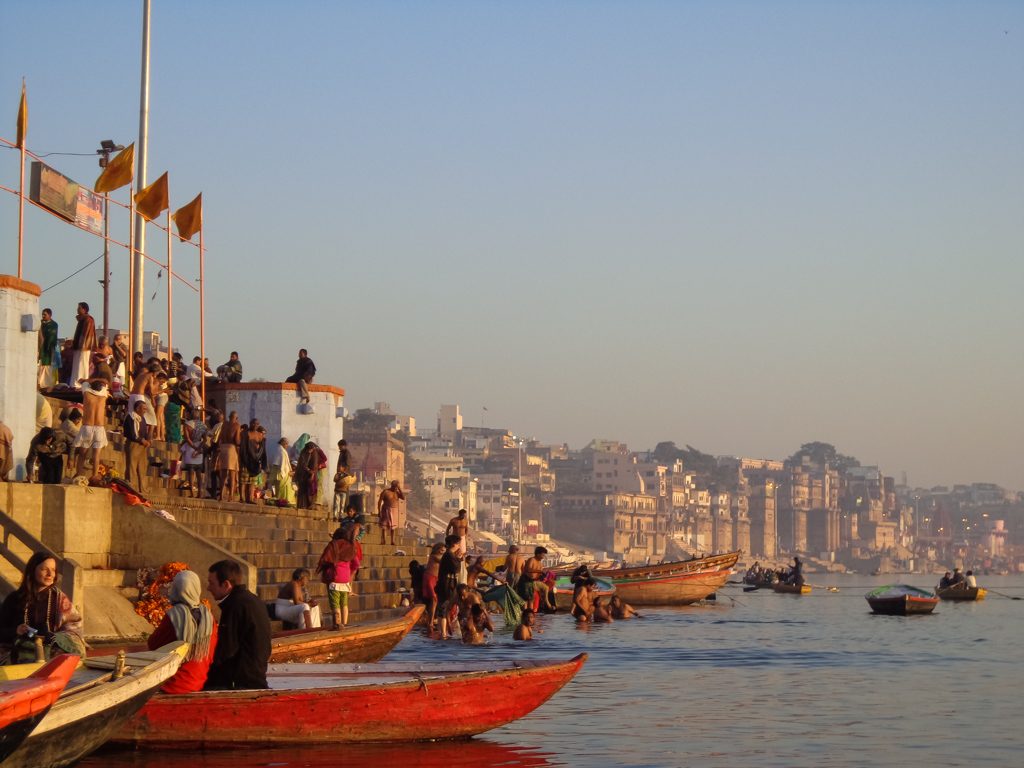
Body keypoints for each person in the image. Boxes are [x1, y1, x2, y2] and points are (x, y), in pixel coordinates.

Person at [0, 552, 85, 663]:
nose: (50, 574)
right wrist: (16, 631)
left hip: (51, 655)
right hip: (17, 655)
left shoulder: (60, 600)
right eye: (44, 569)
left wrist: (55, 637)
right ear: (32, 570)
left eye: (53, 570)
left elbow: (75, 631)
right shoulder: (14, 599)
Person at [146, 570, 218, 693]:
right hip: (199, 682)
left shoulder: (174, 615)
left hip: (172, 685)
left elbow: (153, 644)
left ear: (175, 590)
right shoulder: (209, 617)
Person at [205, 559, 271, 690]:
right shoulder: (251, 599)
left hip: (244, 680)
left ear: (225, 584)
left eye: (211, 583)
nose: (208, 588)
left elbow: (227, 649)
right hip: (256, 673)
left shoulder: (235, 606)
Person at [316, 527, 361, 629]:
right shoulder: (350, 546)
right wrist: (350, 572)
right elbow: (356, 563)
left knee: (335, 603)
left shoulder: (333, 544)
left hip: (334, 578)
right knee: (344, 602)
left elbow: (325, 559)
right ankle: (344, 624)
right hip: (345, 579)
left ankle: (337, 624)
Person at [73, 378, 109, 480]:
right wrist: (98, 380)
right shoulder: (104, 396)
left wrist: (87, 380)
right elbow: (106, 382)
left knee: (82, 454)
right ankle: (94, 475)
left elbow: (82, 381)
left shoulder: (87, 394)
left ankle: (79, 474)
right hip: (100, 427)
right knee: (96, 454)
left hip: (87, 427)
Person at [123, 399, 152, 492]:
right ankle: (132, 487)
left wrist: (148, 440)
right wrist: (141, 440)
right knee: (132, 466)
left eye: (145, 409)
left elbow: (145, 431)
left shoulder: (142, 418)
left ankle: (143, 488)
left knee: (142, 467)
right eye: (143, 409)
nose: (145, 411)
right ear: (137, 408)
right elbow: (132, 433)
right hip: (133, 444)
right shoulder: (131, 417)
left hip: (142, 446)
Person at [520, 546, 556, 612]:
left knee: (545, 588)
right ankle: (525, 614)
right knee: (527, 600)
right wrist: (540, 571)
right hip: (526, 581)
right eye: (543, 554)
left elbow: (538, 575)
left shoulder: (540, 564)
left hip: (534, 582)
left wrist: (543, 575)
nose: (543, 556)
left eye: (544, 555)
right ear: (538, 554)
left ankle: (547, 603)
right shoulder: (531, 559)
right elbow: (528, 569)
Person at [70, 302, 96, 388]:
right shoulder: (82, 319)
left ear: (84, 310)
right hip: (78, 347)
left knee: (82, 365)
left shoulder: (88, 320)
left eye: (79, 308)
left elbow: (86, 335)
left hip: (84, 347)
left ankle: (81, 383)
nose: (77, 309)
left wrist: (82, 345)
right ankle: (75, 383)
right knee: (77, 365)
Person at [294, 440, 326, 510]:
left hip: (309, 474)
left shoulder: (313, 453)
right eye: (310, 449)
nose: (311, 451)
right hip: (302, 474)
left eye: (312, 449)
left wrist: (312, 473)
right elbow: (302, 464)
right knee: (302, 490)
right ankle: (302, 505)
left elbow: (315, 465)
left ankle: (308, 505)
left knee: (309, 490)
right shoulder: (303, 453)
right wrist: (309, 471)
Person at [218, 411, 242, 503]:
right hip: (231, 448)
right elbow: (237, 440)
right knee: (232, 474)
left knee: (223, 474)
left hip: (223, 448)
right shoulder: (237, 425)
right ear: (236, 418)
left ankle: (220, 495)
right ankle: (230, 496)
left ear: (229, 417)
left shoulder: (224, 424)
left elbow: (220, 437)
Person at [179, 413, 205, 497]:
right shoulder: (203, 425)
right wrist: (198, 448)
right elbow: (205, 439)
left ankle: (192, 493)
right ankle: (200, 493)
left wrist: (193, 447)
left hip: (190, 448)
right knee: (198, 473)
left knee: (191, 472)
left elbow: (187, 438)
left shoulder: (187, 424)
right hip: (199, 447)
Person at [268, 437, 296, 506]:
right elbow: (283, 464)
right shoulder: (282, 451)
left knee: (278, 486)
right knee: (283, 487)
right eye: (286, 444)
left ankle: (280, 499)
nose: (287, 446)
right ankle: (283, 500)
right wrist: (287, 472)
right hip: (282, 471)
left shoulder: (278, 449)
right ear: (283, 443)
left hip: (277, 470)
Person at [377, 480, 405, 546]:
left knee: (393, 527)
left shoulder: (397, 493)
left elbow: (403, 498)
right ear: (392, 486)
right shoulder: (385, 492)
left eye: (397, 487)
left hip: (394, 511)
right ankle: (383, 541)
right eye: (395, 487)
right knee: (384, 526)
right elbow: (379, 502)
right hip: (386, 510)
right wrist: (379, 511)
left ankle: (392, 541)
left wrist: (400, 488)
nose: (396, 489)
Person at [37, 307, 60, 390]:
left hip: (49, 348)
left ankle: (46, 385)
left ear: (50, 315)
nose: (43, 316)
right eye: (42, 314)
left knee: (47, 367)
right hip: (41, 347)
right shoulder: (40, 323)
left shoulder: (54, 325)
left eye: (45, 314)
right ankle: (41, 384)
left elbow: (52, 337)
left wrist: (50, 347)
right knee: (40, 367)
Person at [423, 543, 444, 631]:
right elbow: (443, 561)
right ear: (437, 549)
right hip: (430, 578)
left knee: (434, 600)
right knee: (434, 598)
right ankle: (430, 622)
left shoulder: (440, 556)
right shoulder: (434, 556)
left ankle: (430, 621)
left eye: (444, 550)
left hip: (436, 579)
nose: (443, 552)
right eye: (442, 550)